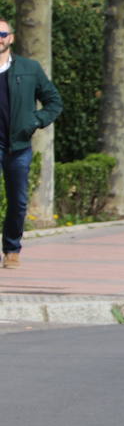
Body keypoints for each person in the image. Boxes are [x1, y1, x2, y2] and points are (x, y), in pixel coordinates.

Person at [0, 19, 62, 270]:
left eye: (2, 33)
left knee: (18, 201)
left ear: (11, 38)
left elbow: (54, 101)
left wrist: (35, 120)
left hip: (19, 146)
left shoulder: (29, 68)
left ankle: (12, 249)